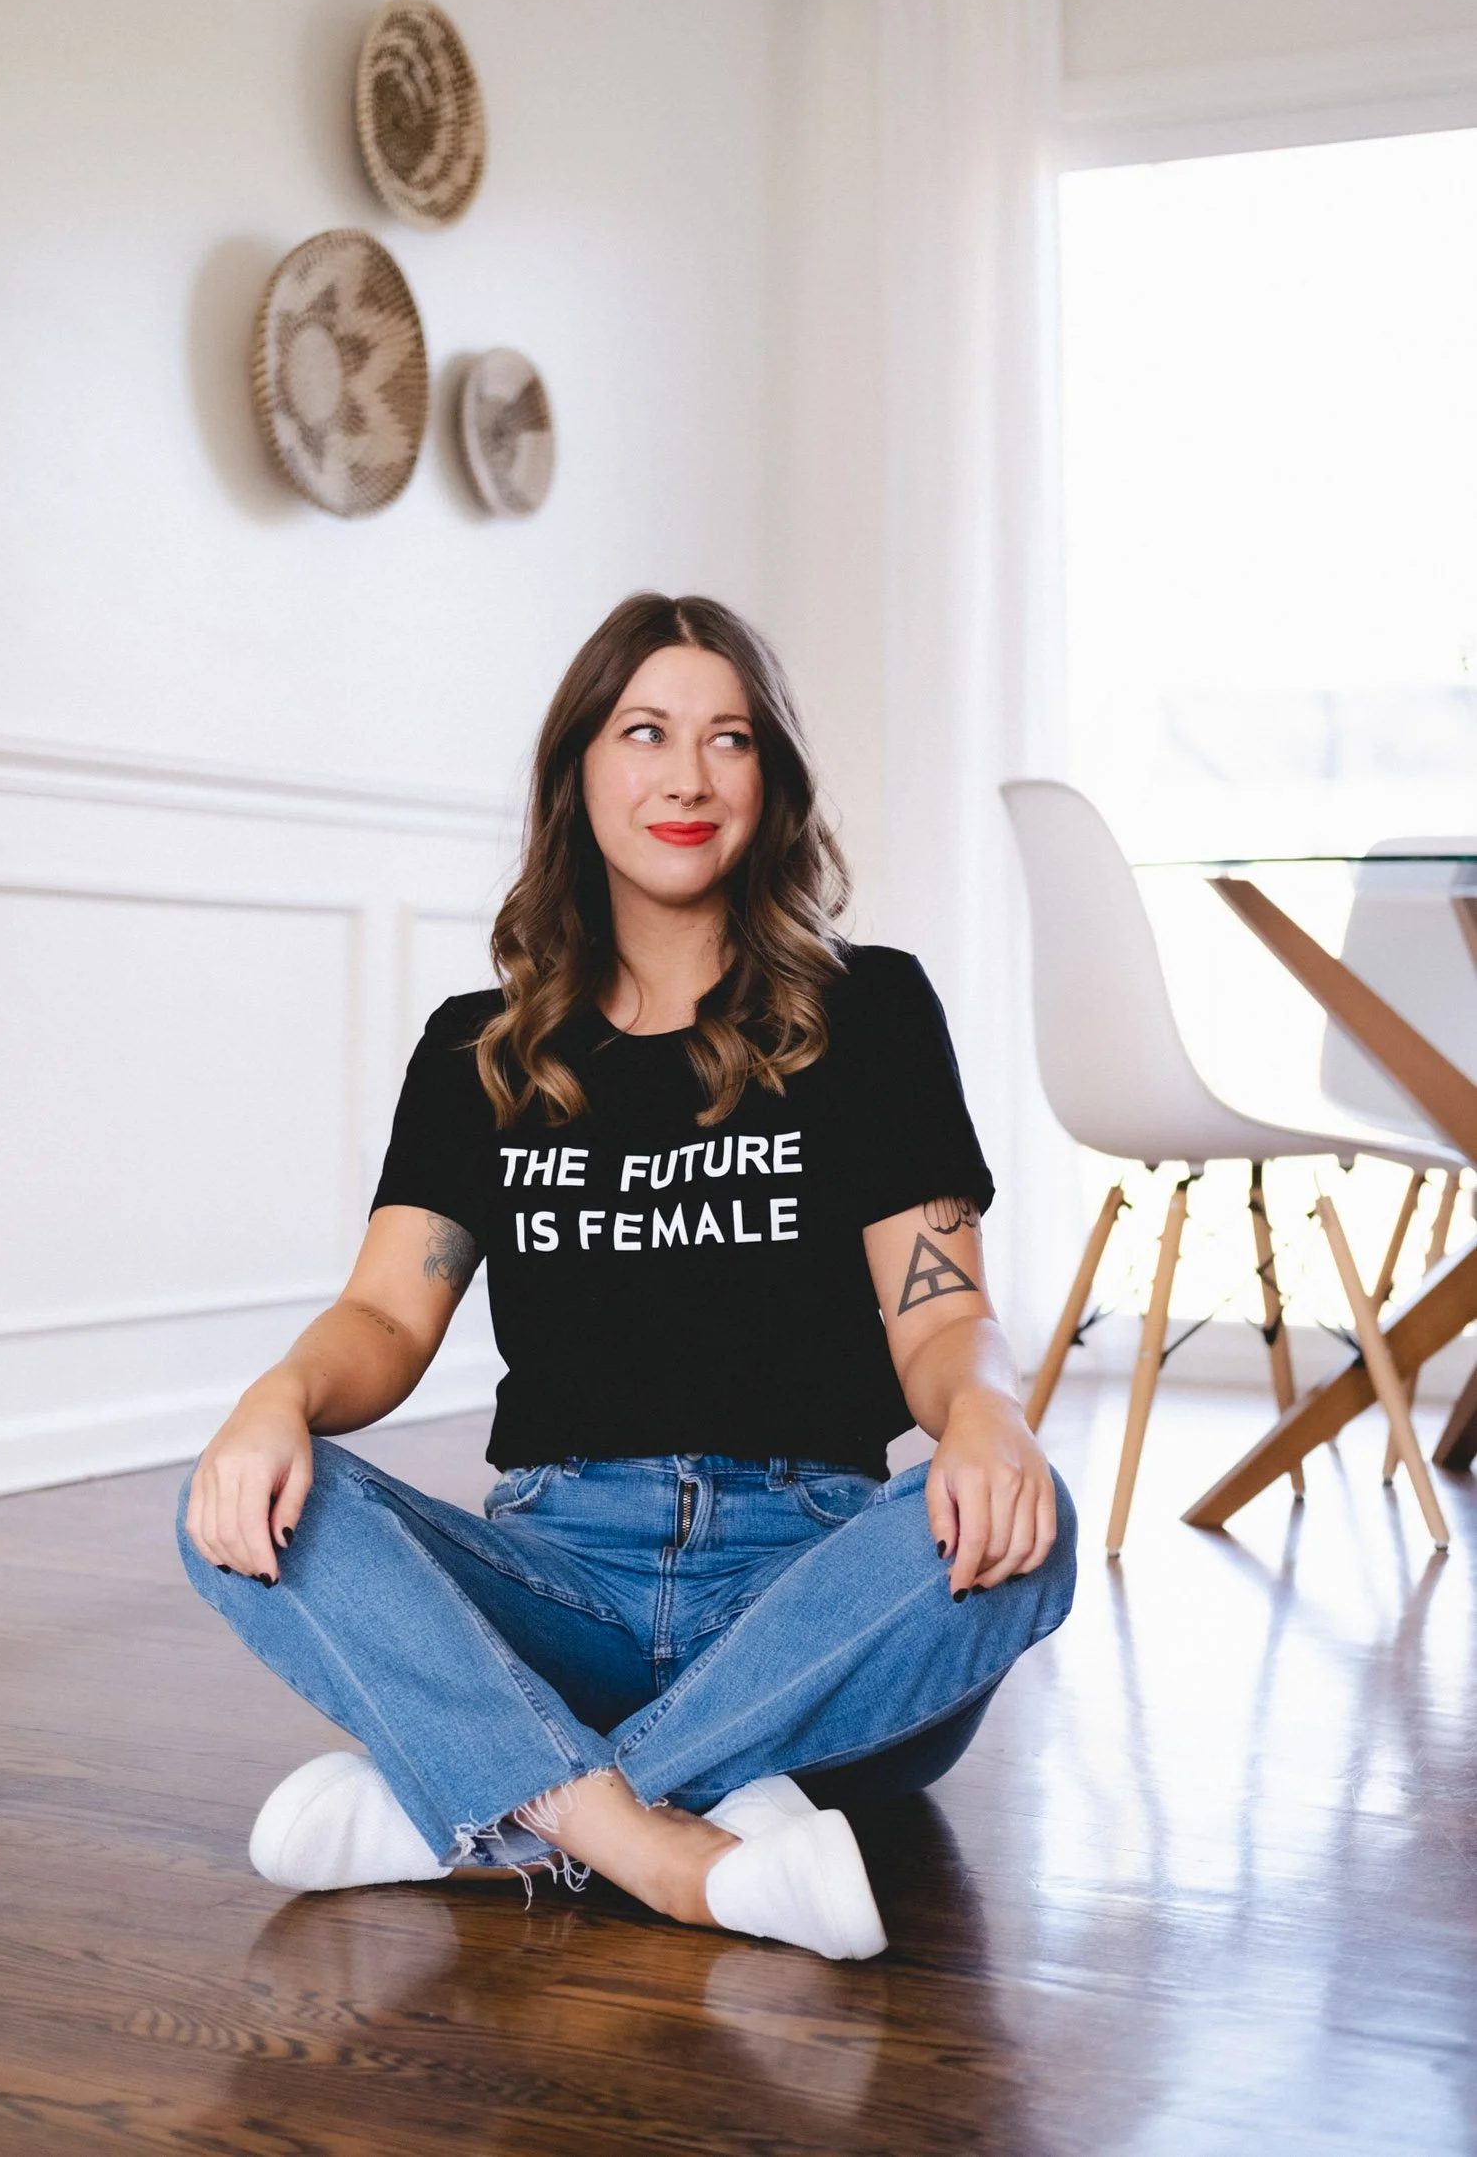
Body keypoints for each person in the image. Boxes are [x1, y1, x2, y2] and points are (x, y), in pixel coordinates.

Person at [178, 592, 1076, 1962]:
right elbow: (383, 1314)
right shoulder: (479, 1050)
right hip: (559, 1583)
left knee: (1030, 1525)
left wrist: (989, 1415)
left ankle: (495, 1807)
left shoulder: (872, 1010)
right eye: (646, 732)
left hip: (809, 1591)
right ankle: (670, 1839)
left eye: (730, 738)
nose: (688, 777)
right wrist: (276, 1398)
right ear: (579, 771)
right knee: (235, 1504)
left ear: (769, 780)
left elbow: (942, 1313)